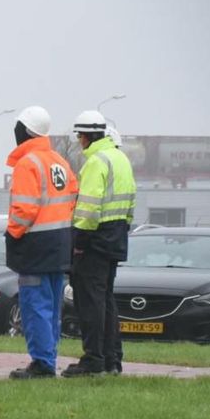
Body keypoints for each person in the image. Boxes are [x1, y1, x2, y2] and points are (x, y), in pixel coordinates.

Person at [5, 107, 79, 380]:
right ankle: (48, 358)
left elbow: (24, 209)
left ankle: (42, 363)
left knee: (35, 305)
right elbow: (72, 194)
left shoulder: (27, 163)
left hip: (35, 244)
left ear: (25, 131)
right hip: (60, 243)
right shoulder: (58, 160)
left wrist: (12, 234)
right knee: (52, 307)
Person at [64, 110, 136, 377]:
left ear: (85, 136)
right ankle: (112, 359)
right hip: (116, 235)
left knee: (90, 301)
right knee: (106, 299)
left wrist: (79, 242)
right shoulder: (121, 159)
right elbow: (131, 203)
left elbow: (88, 209)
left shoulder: (96, 162)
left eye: (79, 136)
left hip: (94, 238)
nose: (79, 141)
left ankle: (93, 359)